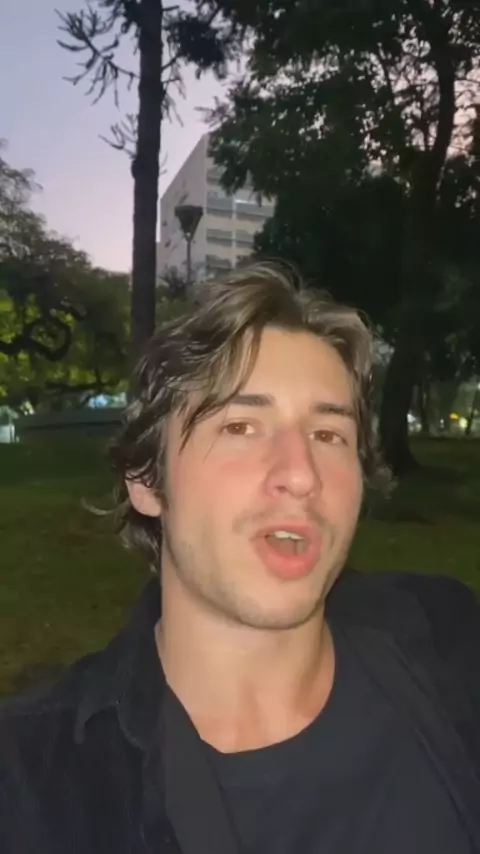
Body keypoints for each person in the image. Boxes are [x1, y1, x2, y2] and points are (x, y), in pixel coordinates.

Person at [1, 262, 479, 854]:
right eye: (242, 426)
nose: (301, 475)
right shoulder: (29, 788)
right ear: (147, 480)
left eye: (329, 435)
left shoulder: (451, 639)